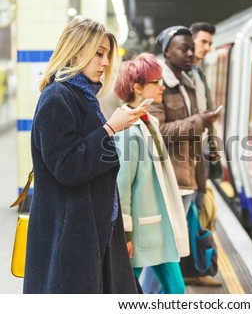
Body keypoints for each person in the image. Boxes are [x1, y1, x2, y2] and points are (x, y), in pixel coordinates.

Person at [24, 16, 148, 293]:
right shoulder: (57, 98)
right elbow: (67, 167)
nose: (105, 63)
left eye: (107, 55)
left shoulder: (82, 97)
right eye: (98, 53)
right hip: (72, 235)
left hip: (94, 228)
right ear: (76, 51)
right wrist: (110, 128)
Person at [150, 26, 221, 287]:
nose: (191, 53)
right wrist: (199, 121)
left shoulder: (186, 84)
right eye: (184, 48)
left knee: (170, 253)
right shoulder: (160, 86)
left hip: (188, 181)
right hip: (171, 183)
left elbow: (194, 138)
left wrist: (202, 184)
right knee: (163, 255)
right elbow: (157, 131)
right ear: (167, 51)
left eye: (192, 48)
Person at [114, 53, 190, 294]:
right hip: (140, 231)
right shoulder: (128, 131)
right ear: (137, 87)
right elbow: (121, 185)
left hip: (158, 226)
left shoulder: (149, 122)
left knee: (175, 289)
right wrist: (124, 234)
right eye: (156, 82)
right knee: (127, 291)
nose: (163, 86)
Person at [189, 22, 222, 208]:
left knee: (198, 205)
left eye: (210, 44)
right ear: (190, 41)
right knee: (193, 207)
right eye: (203, 42)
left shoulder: (198, 73)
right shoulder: (181, 74)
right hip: (189, 152)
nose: (207, 48)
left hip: (203, 147)